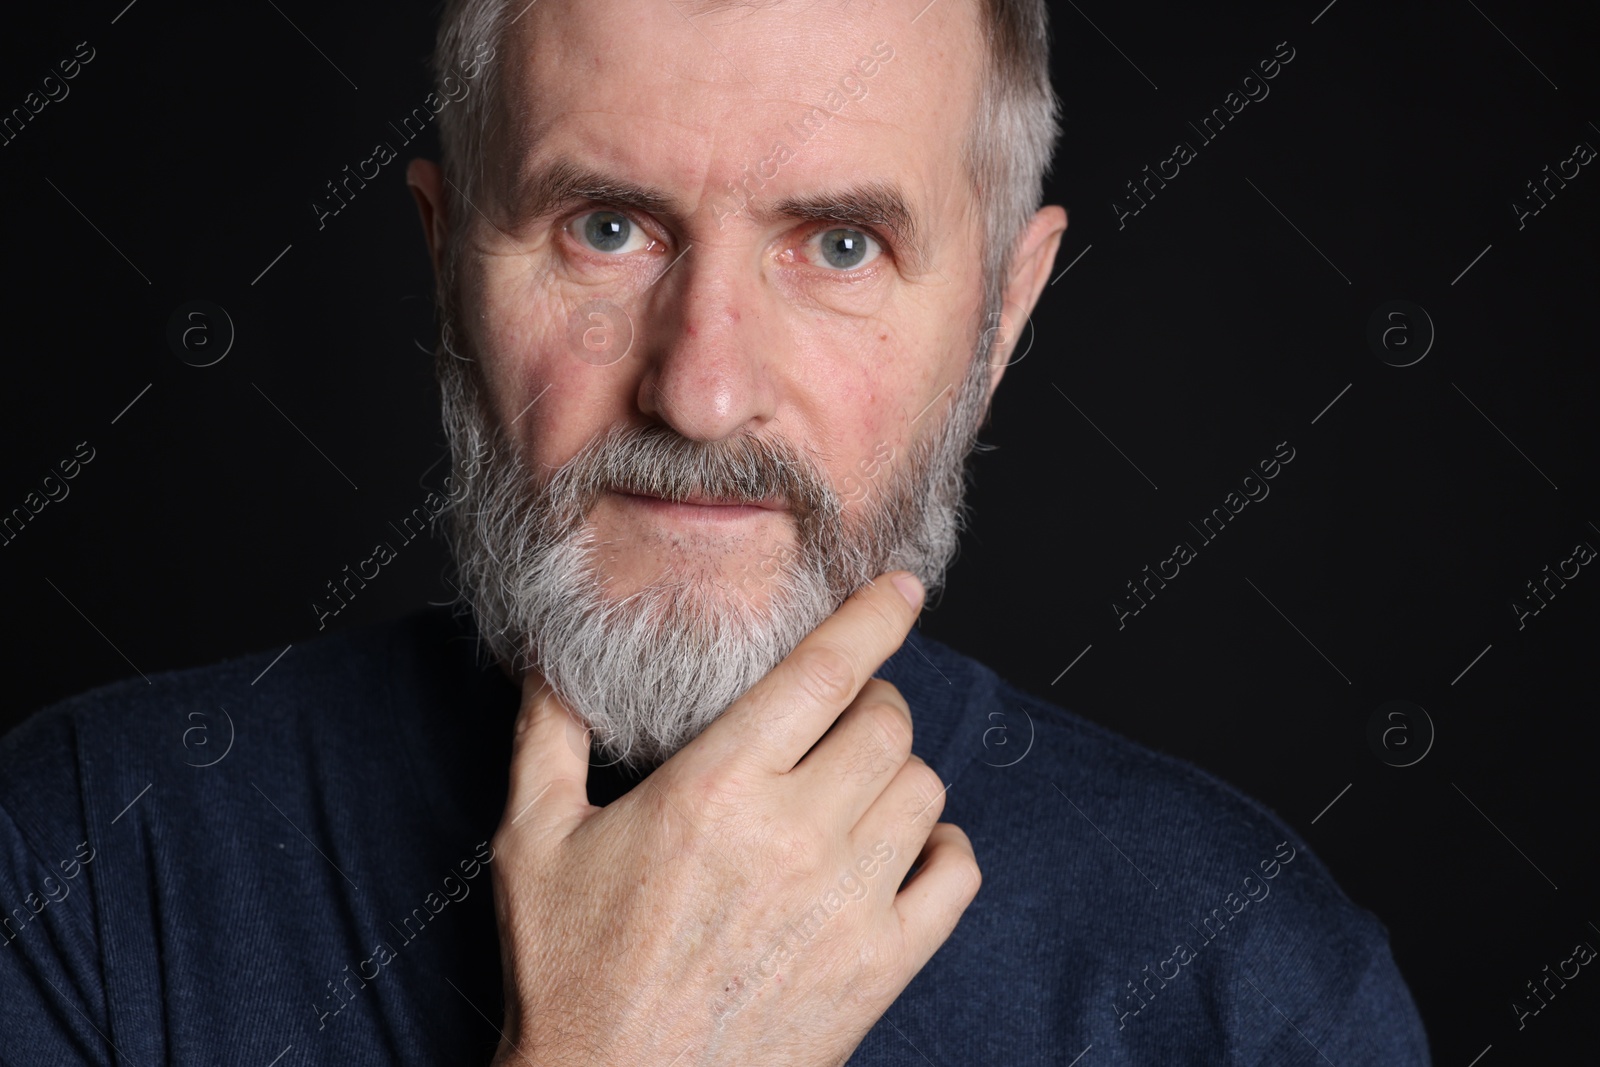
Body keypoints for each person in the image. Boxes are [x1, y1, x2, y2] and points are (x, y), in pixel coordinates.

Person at [0, 0, 1431, 1062]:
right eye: (607, 229)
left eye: (839, 246)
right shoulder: (81, 866)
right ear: (444, 267)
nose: (700, 390)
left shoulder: (1248, 981)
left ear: (1002, 315)